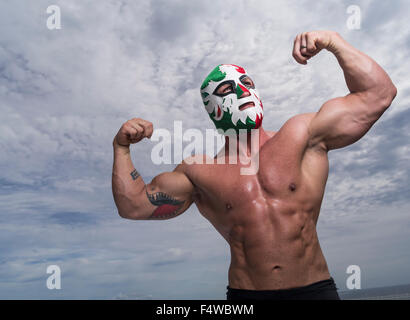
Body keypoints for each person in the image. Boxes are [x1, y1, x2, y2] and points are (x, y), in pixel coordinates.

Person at [111, 30, 397, 300]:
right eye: (227, 88)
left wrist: (334, 41)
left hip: (314, 290)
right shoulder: (199, 172)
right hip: (245, 296)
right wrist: (121, 148)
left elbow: (379, 95)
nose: (243, 91)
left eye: (247, 84)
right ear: (215, 108)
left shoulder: (301, 135)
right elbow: (133, 206)